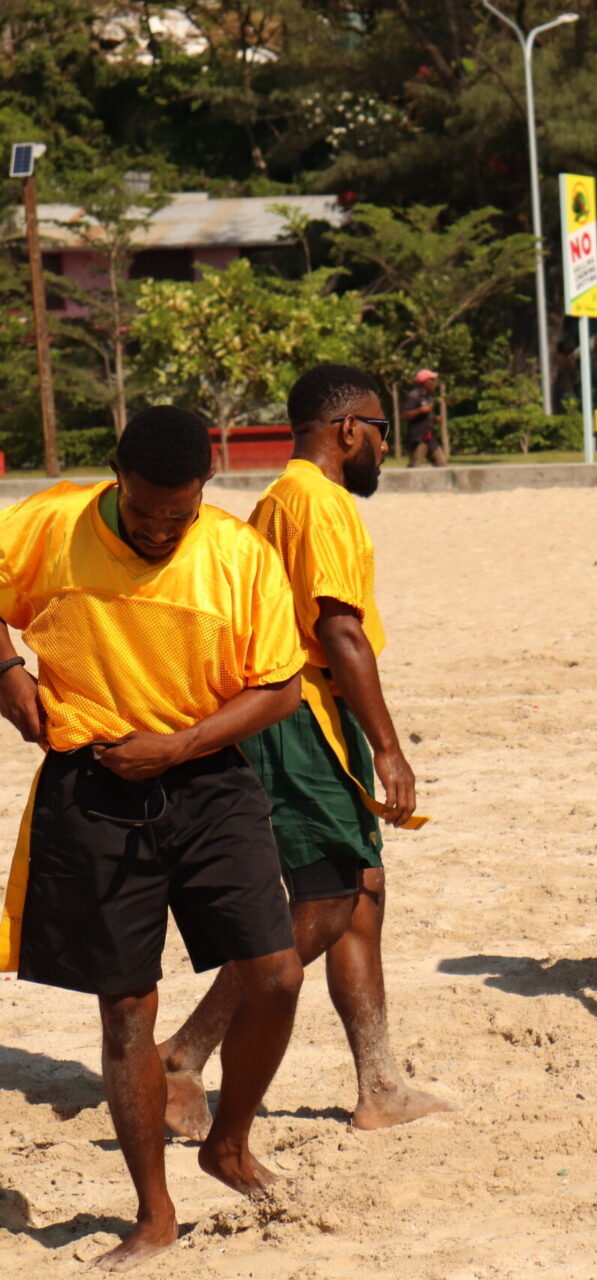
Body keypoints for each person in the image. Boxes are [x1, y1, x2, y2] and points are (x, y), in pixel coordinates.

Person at [0, 406, 306, 1270]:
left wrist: (180, 745)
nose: (163, 530)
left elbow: (278, 688)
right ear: (117, 480)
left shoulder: (238, 554)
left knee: (276, 975)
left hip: (208, 783)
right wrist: (7, 673)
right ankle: (153, 1212)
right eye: (145, 514)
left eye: (181, 513)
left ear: (205, 487)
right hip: (90, 789)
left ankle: (229, 1143)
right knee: (128, 1007)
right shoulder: (50, 526)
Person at [160, 364, 449, 1136]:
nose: (386, 444)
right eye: (381, 428)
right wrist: (389, 747)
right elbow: (338, 630)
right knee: (324, 902)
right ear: (349, 429)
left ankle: (379, 1085)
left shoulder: (282, 496)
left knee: (363, 889)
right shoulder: (318, 503)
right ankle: (183, 1056)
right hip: (298, 720)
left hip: (306, 714)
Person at [402, 368, 448, 467]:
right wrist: (420, 411)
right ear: (425, 382)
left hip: (430, 437)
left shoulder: (428, 397)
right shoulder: (413, 396)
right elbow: (405, 415)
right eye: (432, 380)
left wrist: (435, 419)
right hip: (419, 438)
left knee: (442, 465)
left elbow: (426, 415)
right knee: (415, 467)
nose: (434, 383)